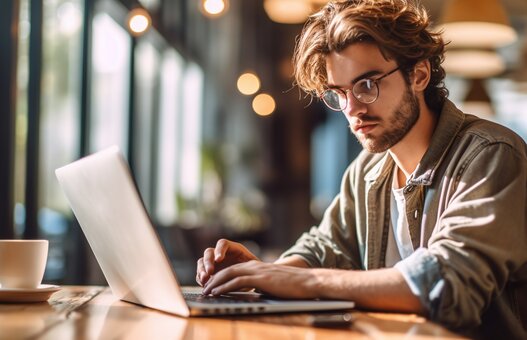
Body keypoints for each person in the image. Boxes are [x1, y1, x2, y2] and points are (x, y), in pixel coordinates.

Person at [196, 0, 527, 337]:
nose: (352, 109)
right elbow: (326, 248)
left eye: (367, 85)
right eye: (340, 93)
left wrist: (300, 280)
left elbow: (447, 282)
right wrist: (258, 273)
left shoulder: (491, 155)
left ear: (419, 74)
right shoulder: (367, 169)